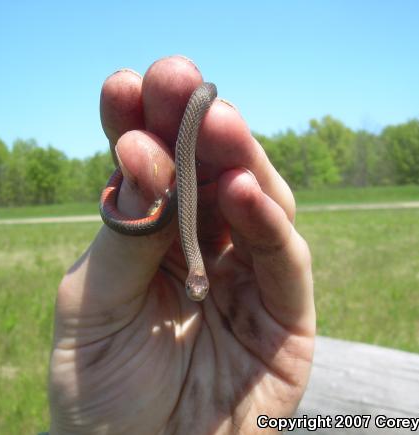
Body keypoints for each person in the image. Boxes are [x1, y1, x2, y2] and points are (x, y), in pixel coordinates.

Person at [46, 56, 315, 434]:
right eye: (196, 286)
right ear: (195, 278)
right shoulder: (191, 260)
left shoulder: (199, 264)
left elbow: (207, 94)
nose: (196, 290)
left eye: (195, 287)